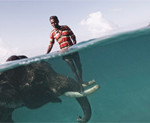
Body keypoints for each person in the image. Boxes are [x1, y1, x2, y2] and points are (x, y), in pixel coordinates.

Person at [46, 16, 83, 91]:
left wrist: (74, 46)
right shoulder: (52, 33)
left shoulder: (66, 27)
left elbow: (73, 37)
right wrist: (46, 54)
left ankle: (81, 81)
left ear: (58, 21)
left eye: (55, 22)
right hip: (65, 53)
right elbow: (51, 44)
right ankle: (80, 85)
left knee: (79, 66)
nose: (54, 24)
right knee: (73, 69)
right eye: (52, 23)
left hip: (73, 50)